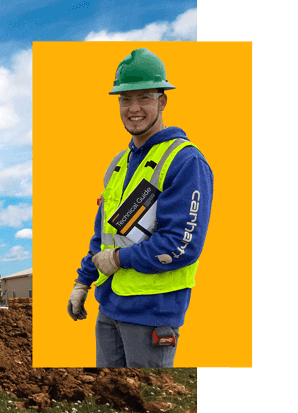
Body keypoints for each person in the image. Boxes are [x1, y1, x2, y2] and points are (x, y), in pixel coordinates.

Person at [66, 48, 214, 368]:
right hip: (109, 311)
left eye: (144, 97)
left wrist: (119, 259)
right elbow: (106, 235)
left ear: (162, 101)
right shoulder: (119, 165)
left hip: (152, 315)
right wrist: (83, 281)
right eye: (124, 99)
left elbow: (180, 245)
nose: (133, 108)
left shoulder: (185, 161)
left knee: (146, 401)